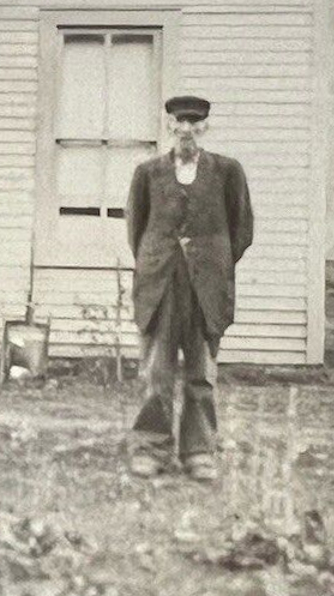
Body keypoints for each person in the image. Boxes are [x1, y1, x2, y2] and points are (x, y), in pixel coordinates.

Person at [124, 94, 254, 480]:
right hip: (160, 286)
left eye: (194, 124)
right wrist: (160, 263)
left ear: (205, 128)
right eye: (180, 123)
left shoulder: (227, 172)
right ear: (169, 126)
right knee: (157, 373)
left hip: (206, 290)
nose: (186, 131)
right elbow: (136, 231)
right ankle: (151, 448)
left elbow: (241, 231)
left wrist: (210, 263)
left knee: (201, 374)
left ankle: (199, 451)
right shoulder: (148, 173)